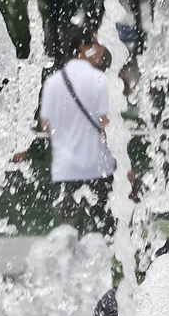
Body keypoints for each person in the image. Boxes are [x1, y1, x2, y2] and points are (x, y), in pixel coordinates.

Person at [37, 34, 114, 234]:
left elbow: (46, 125)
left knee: (68, 237)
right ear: (83, 47)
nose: (100, 50)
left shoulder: (53, 82)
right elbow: (107, 124)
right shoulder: (100, 79)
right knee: (104, 234)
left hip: (66, 168)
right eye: (96, 44)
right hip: (98, 168)